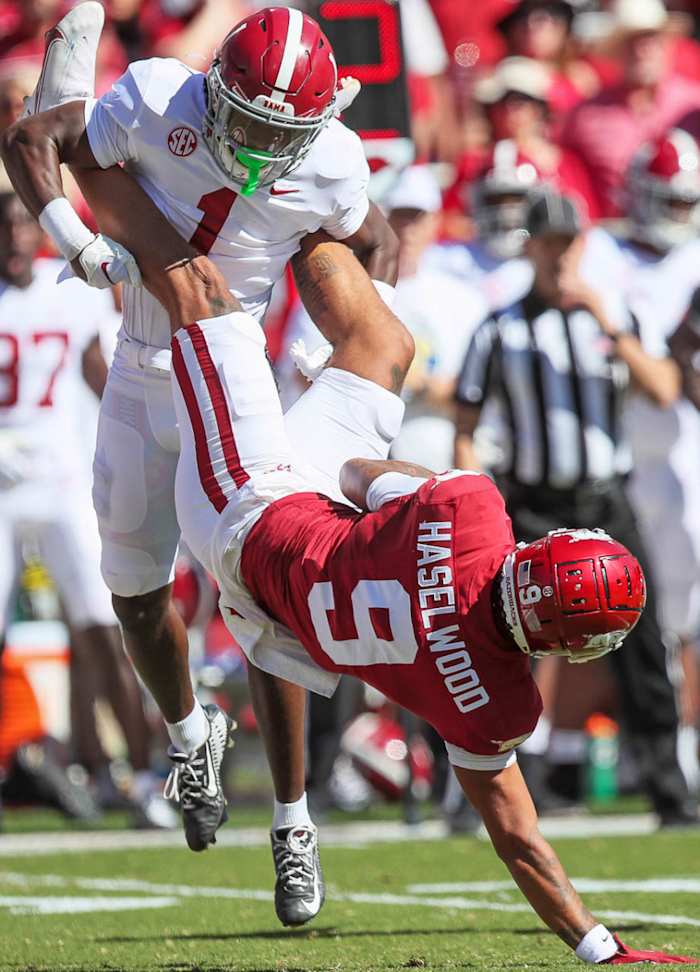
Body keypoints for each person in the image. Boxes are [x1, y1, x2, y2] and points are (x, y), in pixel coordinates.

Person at [73, 174, 697, 964]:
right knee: (388, 344)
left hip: (250, 512)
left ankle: (94, 169)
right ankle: (307, 207)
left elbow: (358, 475)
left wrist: (335, 427)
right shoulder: (498, 704)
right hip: (291, 599)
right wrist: (598, 946)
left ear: (543, 551)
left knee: (203, 295)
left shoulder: (474, 510)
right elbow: (519, 840)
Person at [1, 0, 407, 927]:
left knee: (264, 583)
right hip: (141, 372)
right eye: (248, 120)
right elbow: (35, 140)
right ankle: (191, 736)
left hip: (234, 374)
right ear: (216, 87)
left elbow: (375, 241)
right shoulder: (154, 95)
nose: (260, 146)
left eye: (280, 132)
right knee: (134, 594)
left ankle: (295, 823)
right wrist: (82, 246)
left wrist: (335, 337)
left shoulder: (336, 161)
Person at [454, 192, 697, 826]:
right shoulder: (500, 326)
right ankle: (493, 788)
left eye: (570, 242)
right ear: (530, 245)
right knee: (510, 646)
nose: (560, 254)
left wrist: (610, 326)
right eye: (549, 242)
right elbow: (467, 421)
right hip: (533, 504)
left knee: (645, 646)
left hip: (607, 504)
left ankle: (671, 791)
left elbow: (666, 389)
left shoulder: (613, 317)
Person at [0, 188, 169, 825]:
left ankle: (146, 775)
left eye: (24, 224)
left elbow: (107, 379)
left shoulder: (69, 290)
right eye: (5, 226)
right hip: (2, 487)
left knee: (106, 622)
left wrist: (145, 448)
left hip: (62, 478)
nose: (16, 238)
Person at [561, 0, 700, 217]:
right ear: (617, 51)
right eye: (632, 42)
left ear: (667, 45)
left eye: (650, 39)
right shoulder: (586, 117)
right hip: (617, 238)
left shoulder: (693, 104)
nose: (642, 50)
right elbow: (568, 181)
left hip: (690, 233)